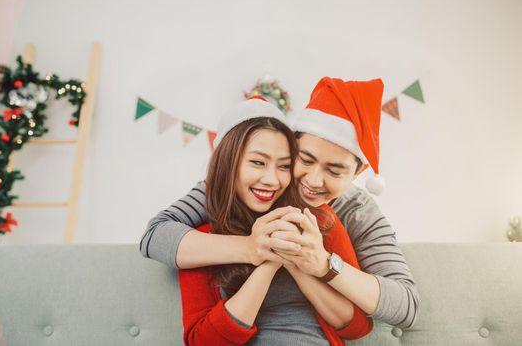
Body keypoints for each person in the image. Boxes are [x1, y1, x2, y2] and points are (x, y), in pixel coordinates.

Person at [141, 77, 419, 329]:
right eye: (304, 160)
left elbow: (405, 305)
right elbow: (155, 235)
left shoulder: (353, 210)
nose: (313, 180)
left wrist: (323, 264)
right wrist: (252, 248)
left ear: (357, 173)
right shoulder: (243, 188)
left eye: (334, 171)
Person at [178, 97, 372, 345]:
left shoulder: (318, 222)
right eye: (258, 162)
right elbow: (201, 342)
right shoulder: (200, 243)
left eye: (284, 166)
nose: (272, 180)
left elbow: (356, 327)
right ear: (227, 164)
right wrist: (268, 261)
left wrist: (296, 259)